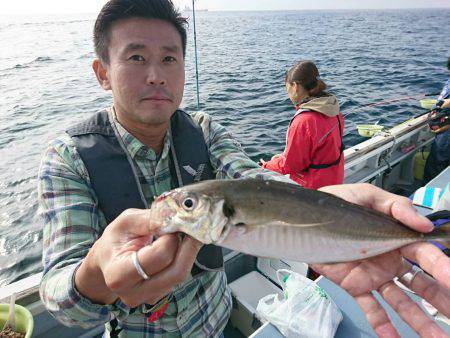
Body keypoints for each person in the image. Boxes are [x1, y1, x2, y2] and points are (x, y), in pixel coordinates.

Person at [38, 1, 450, 337]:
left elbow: (256, 184)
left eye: (169, 58)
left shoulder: (202, 129)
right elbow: (61, 300)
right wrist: (94, 274)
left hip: (216, 319)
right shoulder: (70, 158)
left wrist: (322, 203)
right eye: (136, 57)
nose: (156, 75)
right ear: (103, 73)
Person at [261, 61, 344, 189]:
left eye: (287, 89)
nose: (288, 94)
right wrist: (283, 157)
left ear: (295, 86)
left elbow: (291, 165)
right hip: (335, 182)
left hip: (312, 192)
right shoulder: (334, 109)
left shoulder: (303, 121)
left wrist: (265, 166)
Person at [423, 56, 450, 184]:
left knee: (437, 166)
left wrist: (440, 105)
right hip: (443, 132)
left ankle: (431, 195)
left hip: (446, 137)